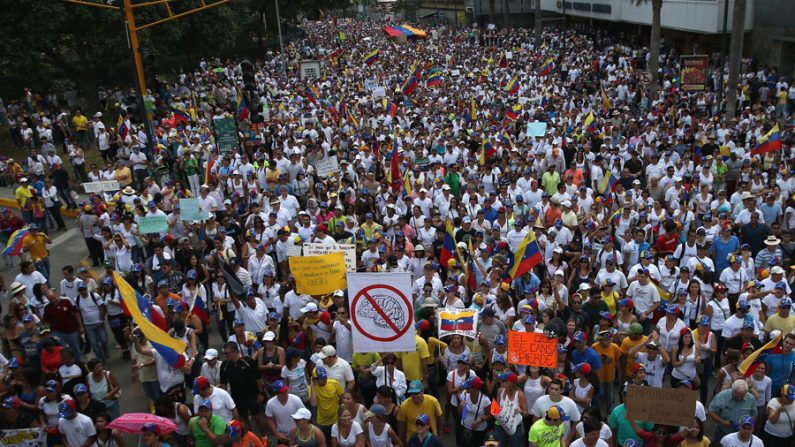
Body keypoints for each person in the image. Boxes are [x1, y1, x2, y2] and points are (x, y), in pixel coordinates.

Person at [264, 379, 306, 444]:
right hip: (283, 436)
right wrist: (276, 433)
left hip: (298, 434)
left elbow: (305, 415)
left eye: (286, 391)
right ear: (276, 393)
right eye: (282, 392)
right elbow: (270, 420)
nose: (285, 394)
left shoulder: (295, 399)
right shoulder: (270, 404)